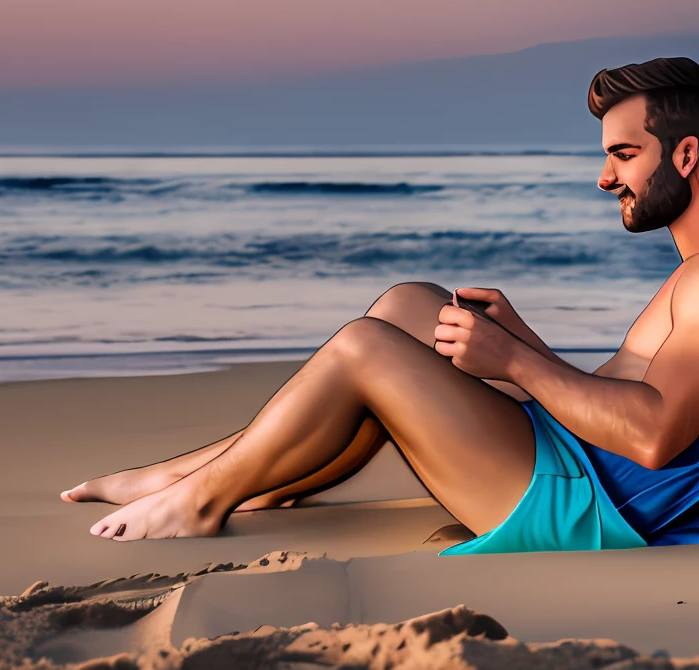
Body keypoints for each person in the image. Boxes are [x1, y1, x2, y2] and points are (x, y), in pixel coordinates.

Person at [64, 57, 699, 549]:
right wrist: (526, 347)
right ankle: (210, 475)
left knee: (365, 350)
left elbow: (650, 439)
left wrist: (513, 362)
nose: (605, 178)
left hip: (590, 510)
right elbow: (632, 398)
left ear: (687, 154)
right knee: (407, 306)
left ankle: (199, 502)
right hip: (585, 464)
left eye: (623, 155)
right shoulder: (688, 273)